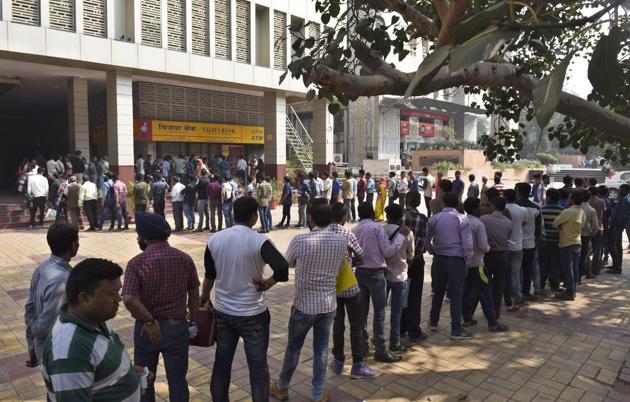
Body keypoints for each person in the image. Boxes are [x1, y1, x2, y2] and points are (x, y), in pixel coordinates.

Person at [202, 196, 289, 401]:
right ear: (254, 216)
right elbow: (283, 269)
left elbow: (209, 275)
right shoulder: (259, 241)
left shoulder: (215, 239)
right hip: (253, 314)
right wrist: (268, 283)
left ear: (234, 214)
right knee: (258, 366)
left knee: (222, 362)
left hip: (223, 313)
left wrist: (204, 298)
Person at [271, 199, 348, 402]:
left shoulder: (300, 240)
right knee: (321, 349)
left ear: (311, 218)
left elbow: (287, 264)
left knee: (294, 347)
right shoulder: (341, 241)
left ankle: (282, 386)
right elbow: (341, 269)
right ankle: (316, 394)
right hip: (328, 305)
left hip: (304, 305)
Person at [41, 258, 150, 401]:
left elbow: (97, 366)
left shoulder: (93, 321)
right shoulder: (70, 350)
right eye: (112, 293)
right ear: (84, 298)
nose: (119, 298)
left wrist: (129, 372)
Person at [122, 212, 200, 402]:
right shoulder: (184, 259)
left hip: (146, 331)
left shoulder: (136, 263)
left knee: (145, 380)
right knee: (177, 380)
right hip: (176, 327)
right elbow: (194, 295)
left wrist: (149, 321)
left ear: (144, 238)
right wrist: (192, 321)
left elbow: (129, 299)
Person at [328, 203, 379, 379]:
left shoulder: (322, 234)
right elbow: (360, 255)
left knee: (337, 324)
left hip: (331, 286)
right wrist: (352, 264)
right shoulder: (346, 233)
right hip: (349, 286)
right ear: (344, 218)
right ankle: (357, 364)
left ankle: (338, 361)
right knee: (356, 325)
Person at [352, 202, 408, 362]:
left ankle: (362, 347)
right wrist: (401, 236)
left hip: (360, 273)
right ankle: (381, 351)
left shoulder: (355, 230)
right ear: (372, 213)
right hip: (376, 273)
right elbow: (388, 250)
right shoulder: (377, 228)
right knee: (380, 313)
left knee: (362, 312)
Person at [24, 223, 79, 366]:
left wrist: (31, 344)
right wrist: (35, 337)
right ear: (74, 245)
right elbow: (45, 326)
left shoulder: (42, 268)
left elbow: (30, 309)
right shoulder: (61, 279)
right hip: (56, 353)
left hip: (44, 348)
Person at [425, 192, 474, 339]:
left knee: (438, 292)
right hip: (457, 260)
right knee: (456, 295)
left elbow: (427, 239)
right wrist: (467, 260)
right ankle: (456, 330)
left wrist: (433, 251)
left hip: (439, 259)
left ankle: (433, 321)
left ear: (443, 204)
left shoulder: (434, 218)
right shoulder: (462, 219)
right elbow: (468, 243)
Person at [461, 197, 509, 332]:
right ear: (475, 209)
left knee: (466, 292)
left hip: (465, 264)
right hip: (478, 264)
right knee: (486, 293)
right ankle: (493, 323)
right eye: (481, 206)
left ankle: (467, 318)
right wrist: (489, 246)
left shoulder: (461, 221)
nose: (484, 208)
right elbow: (483, 246)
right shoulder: (478, 224)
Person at [383, 204, 415, 351]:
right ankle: (394, 341)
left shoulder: (380, 230)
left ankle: (378, 337)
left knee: (380, 311)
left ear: (387, 215)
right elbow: (411, 256)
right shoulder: (407, 232)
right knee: (397, 312)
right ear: (401, 215)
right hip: (400, 276)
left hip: (382, 276)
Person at [401, 190, 428, 343]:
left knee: (401, 296)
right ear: (418, 202)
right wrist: (414, 257)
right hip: (415, 262)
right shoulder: (422, 218)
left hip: (399, 262)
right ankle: (413, 330)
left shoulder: (398, 217)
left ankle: (400, 328)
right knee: (415, 296)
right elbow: (421, 242)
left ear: (406, 201)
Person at [480, 196, 512, 319]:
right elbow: (508, 238)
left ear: (493, 206)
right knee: (499, 287)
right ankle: (495, 313)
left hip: (487, 256)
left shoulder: (483, 219)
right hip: (502, 256)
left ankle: (486, 310)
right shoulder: (509, 223)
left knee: (484, 284)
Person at [553, 191, 586, 300]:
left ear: (572, 199)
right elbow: (582, 226)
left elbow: (555, 223)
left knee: (568, 269)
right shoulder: (582, 212)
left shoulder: (568, 211)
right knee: (574, 268)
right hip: (577, 242)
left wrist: (562, 227)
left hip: (566, 243)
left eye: (570, 197)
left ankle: (570, 292)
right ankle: (572, 290)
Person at [515, 182, 543, 300]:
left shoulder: (513, 207)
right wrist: (537, 240)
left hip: (515, 243)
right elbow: (538, 228)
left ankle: (516, 292)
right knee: (527, 269)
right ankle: (526, 292)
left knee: (516, 269)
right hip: (530, 243)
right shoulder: (536, 207)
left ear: (518, 192)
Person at [539, 188, 564, 291]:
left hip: (544, 241)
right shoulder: (562, 210)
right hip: (558, 241)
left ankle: (541, 283)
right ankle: (555, 284)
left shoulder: (542, 210)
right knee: (555, 263)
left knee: (543, 263)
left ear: (548, 197)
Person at [606, 184, 630, 274]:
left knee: (612, 245)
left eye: (622, 190)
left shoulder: (625, 200)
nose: (620, 191)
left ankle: (617, 267)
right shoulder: (623, 199)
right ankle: (616, 264)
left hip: (617, 225)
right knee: (617, 245)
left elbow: (622, 215)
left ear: (627, 191)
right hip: (617, 225)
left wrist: (616, 225)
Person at [578, 189, 600, 280]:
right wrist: (591, 234)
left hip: (572, 235)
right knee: (583, 257)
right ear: (589, 198)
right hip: (586, 236)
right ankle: (578, 277)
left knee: (573, 258)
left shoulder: (572, 208)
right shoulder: (591, 210)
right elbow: (595, 226)